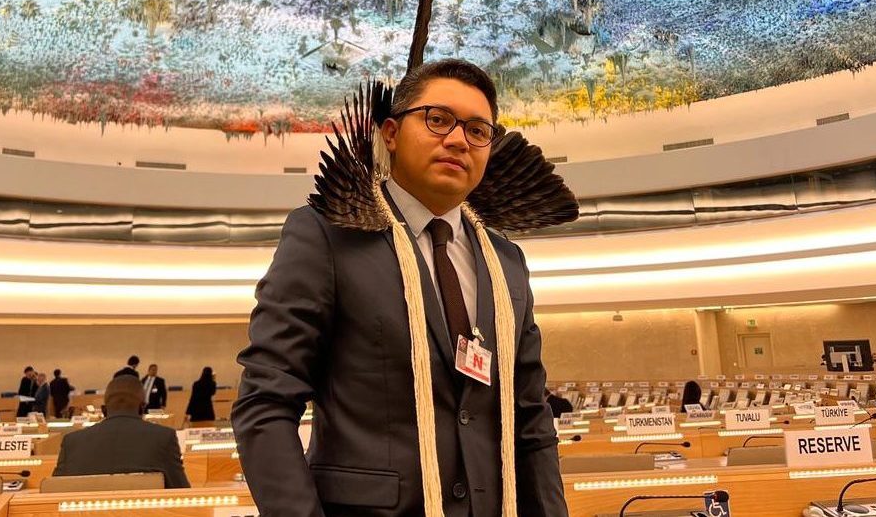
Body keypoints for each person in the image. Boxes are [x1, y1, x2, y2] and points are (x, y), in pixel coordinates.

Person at [233, 58, 576, 517]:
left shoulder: (506, 261)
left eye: (478, 131)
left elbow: (531, 419)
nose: (458, 139)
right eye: (437, 120)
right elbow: (265, 402)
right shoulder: (328, 236)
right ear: (391, 134)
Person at [52, 375, 190, 488]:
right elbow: (182, 493)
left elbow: (53, 494)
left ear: (104, 410)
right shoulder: (164, 438)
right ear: (142, 408)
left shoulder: (71, 442)